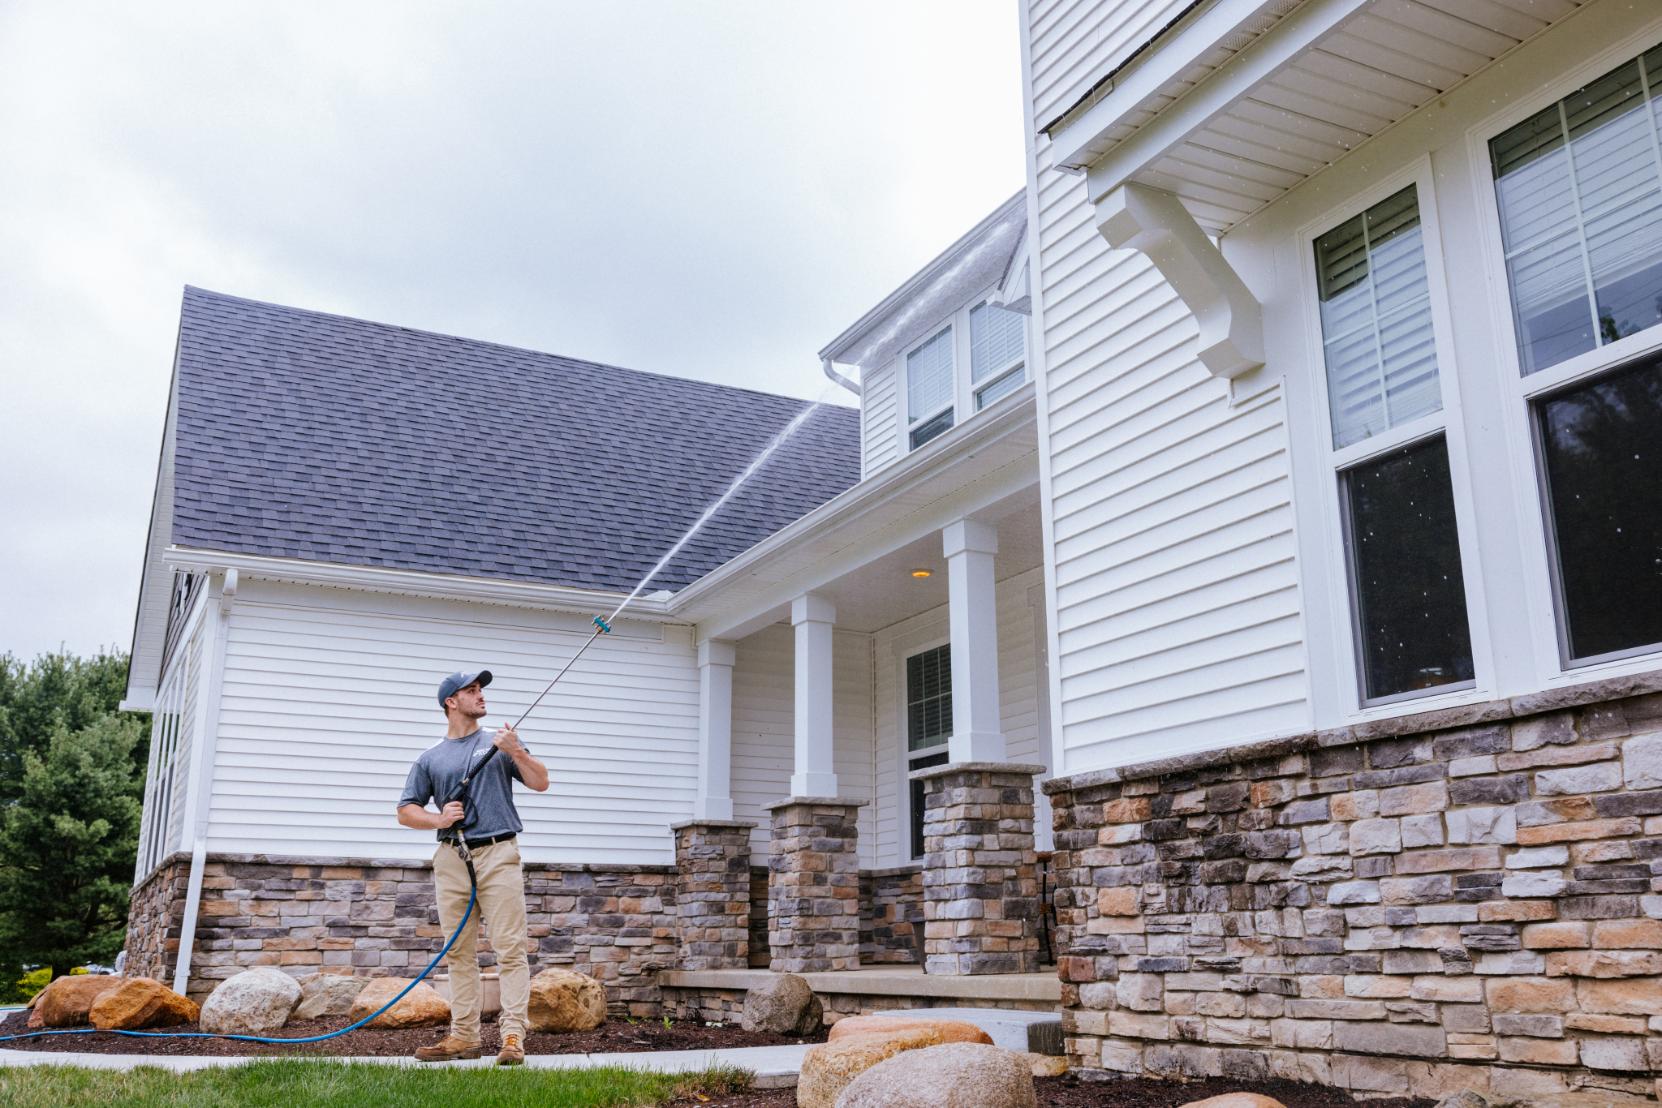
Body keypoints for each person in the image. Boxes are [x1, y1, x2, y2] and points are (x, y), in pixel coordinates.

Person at [397, 669, 549, 1065]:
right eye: (471, 690)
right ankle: (463, 1037)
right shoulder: (430, 758)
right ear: (451, 701)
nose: (480, 695)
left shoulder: (499, 743)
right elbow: (405, 811)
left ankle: (512, 1037)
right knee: (459, 951)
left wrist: (516, 750)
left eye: (481, 689)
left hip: (499, 852)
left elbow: (541, 782)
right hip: (452, 857)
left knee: (510, 949)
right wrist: (438, 819)